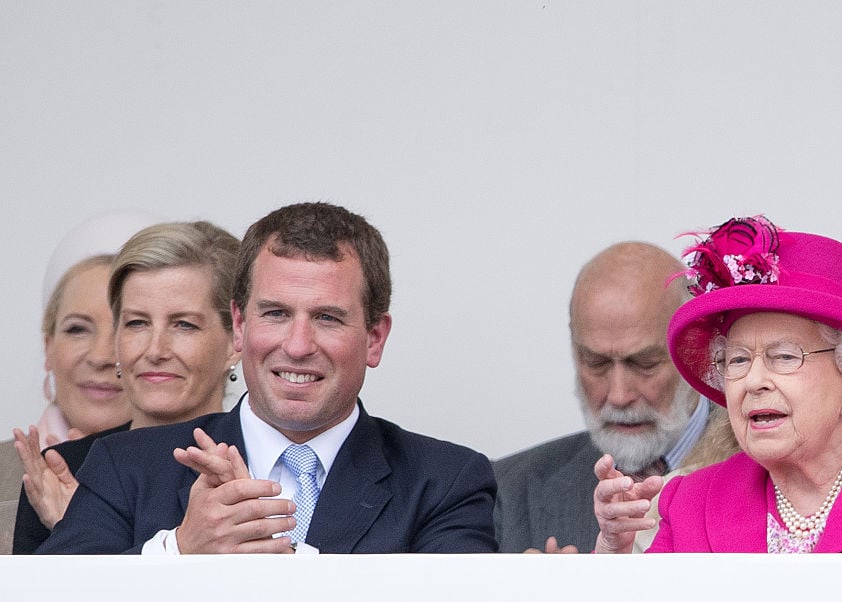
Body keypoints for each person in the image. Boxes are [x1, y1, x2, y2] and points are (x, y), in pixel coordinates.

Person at [37, 201, 497, 554]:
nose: (297, 345)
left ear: (375, 338)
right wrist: (179, 549)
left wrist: (280, 561)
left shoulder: (445, 481)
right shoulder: (125, 466)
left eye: (327, 318)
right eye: (275, 313)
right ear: (239, 325)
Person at [594, 216, 842, 553]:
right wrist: (616, 553)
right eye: (737, 360)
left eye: (785, 357)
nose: (753, 381)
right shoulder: (689, 501)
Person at [13, 221, 241, 553]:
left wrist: (89, 526)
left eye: (184, 325)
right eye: (137, 323)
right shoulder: (65, 468)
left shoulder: (266, 456)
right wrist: (75, 532)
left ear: (236, 340)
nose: (155, 350)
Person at [494, 242, 736, 553]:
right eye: (596, 363)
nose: (619, 396)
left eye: (645, 364)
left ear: (699, 350)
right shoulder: (509, 492)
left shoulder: (773, 474)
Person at [1, 210, 159, 554]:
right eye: (77, 329)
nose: (101, 356)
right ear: (48, 346)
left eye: (128, 326)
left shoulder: (212, 471)